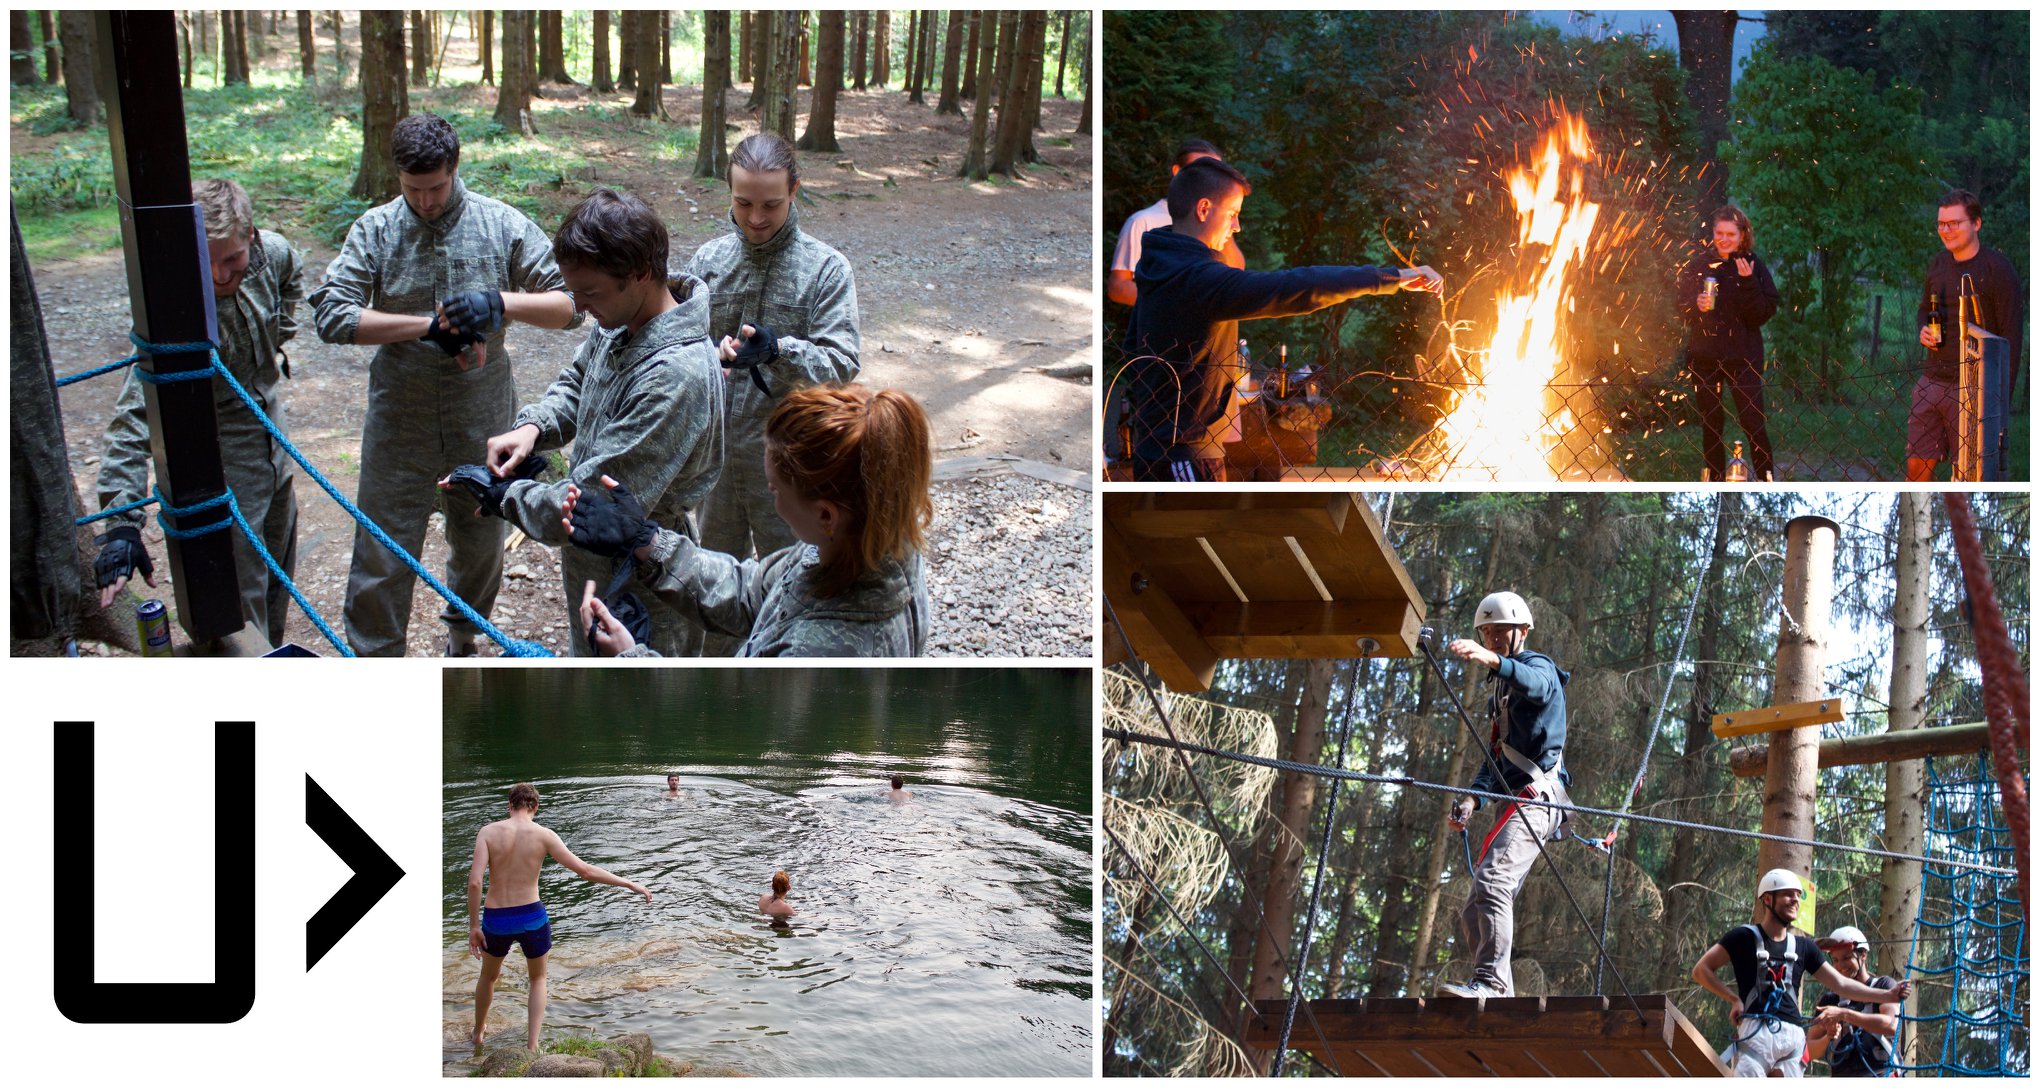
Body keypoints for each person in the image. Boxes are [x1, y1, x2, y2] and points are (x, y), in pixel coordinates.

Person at [311, 112, 581, 656]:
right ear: (398, 178)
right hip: (397, 429)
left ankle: (464, 644)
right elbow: (332, 316)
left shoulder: (500, 224)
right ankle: (375, 662)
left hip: (482, 425)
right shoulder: (376, 229)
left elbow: (571, 305)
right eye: (414, 189)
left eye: (436, 187)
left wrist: (500, 303)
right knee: (381, 558)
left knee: (480, 546)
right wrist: (425, 328)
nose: (426, 201)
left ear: (455, 168)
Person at [440, 187, 723, 657]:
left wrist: (503, 497)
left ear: (641, 274)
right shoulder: (622, 318)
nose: (582, 307)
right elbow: (578, 380)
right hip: (595, 565)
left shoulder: (676, 376)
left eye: (590, 293)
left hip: (644, 581)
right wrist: (532, 428)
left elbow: (590, 506)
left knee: (635, 717)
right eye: (576, 292)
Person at [1123, 157, 1442, 482]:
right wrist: (1392, 277)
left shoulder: (1158, 263)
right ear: (1204, 209)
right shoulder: (1198, 279)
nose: (1237, 227)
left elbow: (1133, 346)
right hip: (1185, 453)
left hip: (1158, 442)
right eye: (1232, 214)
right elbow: (1296, 286)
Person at [565, 384, 932, 658]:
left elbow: (731, 734)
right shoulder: (870, 533)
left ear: (825, 515)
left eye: (775, 491)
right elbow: (752, 591)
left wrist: (630, 659)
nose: (771, 497)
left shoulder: (821, 654)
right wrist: (647, 542)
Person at [93, 178, 305, 648]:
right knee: (238, 594)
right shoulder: (177, 301)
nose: (219, 275)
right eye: (204, 260)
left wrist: (278, 338)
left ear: (251, 234)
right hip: (219, 454)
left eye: (231, 258)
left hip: (273, 437)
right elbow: (134, 413)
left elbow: (291, 279)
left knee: (279, 574)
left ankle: (275, 653)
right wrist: (121, 522)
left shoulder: (273, 253)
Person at [687, 132, 860, 587]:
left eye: (771, 204)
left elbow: (842, 365)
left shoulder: (825, 269)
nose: (756, 219)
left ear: (795, 192)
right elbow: (676, 349)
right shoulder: (709, 261)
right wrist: (711, 353)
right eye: (743, 203)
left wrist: (781, 351)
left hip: (792, 469)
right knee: (712, 584)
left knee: (792, 585)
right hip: (716, 461)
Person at [1436, 591, 1570, 999]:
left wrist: (1493, 660)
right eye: (1487, 633)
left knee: (1493, 881)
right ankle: (1500, 995)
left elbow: (1541, 687)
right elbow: (1495, 758)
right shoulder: (1501, 696)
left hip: (1538, 797)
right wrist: (1472, 801)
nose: (1492, 639)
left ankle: (1490, 983)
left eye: (1500, 632)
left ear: (1522, 632)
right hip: (1514, 800)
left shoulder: (1536, 667)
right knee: (1475, 906)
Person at [466, 782, 651, 1050]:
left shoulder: (488, 832)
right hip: (531, 916)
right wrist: (630, 884)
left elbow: (474, 883)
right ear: (536, 807)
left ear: (509, 805)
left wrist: (473, 925)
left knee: (488, 977)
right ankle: (532, 1045)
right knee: (538, 979)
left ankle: (478, 1033)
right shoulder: (545, 835)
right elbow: (585, 871)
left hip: (497, 918)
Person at [1690, 869, 1911, 1077]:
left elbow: (1841, 984)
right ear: (1767, 899)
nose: (1796, 900)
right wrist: (1733, 999)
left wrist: (1888, 995)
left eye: (1798, 895)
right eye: (1788, 895)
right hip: (1755, 1032)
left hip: (1792, 1038)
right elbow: (1701, 970)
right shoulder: (1743, 937)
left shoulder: (1804, 947)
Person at [1908, 189, 2025, 482]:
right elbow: (1925, 310)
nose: (1946, 231)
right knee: (1916, 470)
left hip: (1974, 389)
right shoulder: (1937, 264)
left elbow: (2011, 339)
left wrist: (1999, 406)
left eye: (1954, 223)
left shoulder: (1998, 270)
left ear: (1976, 224)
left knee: (1968, 474)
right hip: (1931, 381)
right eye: (1941, 224)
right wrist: (1924, 328)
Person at [1675, 205, 1778, 482]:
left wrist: (1747, 283)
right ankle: (1714, 480)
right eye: (1719, 233)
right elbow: (1681, 307)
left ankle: (1766, 478)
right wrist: (1695, 306)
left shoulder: (1753, 267)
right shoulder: (1699, 266)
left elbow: (1761, 314)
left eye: (1730, 234)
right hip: (1705, 359)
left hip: (1743, 359)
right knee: (1711, 426)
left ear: (1742, 235)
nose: (1723, 239)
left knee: (1753, 424)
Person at [1106, 138, 1244, 308]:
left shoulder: (1222, 223)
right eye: (1202, 169)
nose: (1212, 178)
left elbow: (1236, 273)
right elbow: (1118, 286)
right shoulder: (1142, 221)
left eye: (1219, 172)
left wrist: (1223, 220)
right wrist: (1175, 303)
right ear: (1178, 172)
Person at [1807, 925, 1902, 1077]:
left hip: (1880, 1073)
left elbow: (1892, 1025)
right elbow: (1809, 1051)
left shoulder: (1883, 986)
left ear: (1863, 954)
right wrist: (1828, 1037)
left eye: (1846, 958)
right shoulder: (1831, 1000)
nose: (1840, 966)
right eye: (1835, 960)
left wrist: (1845, 1014)